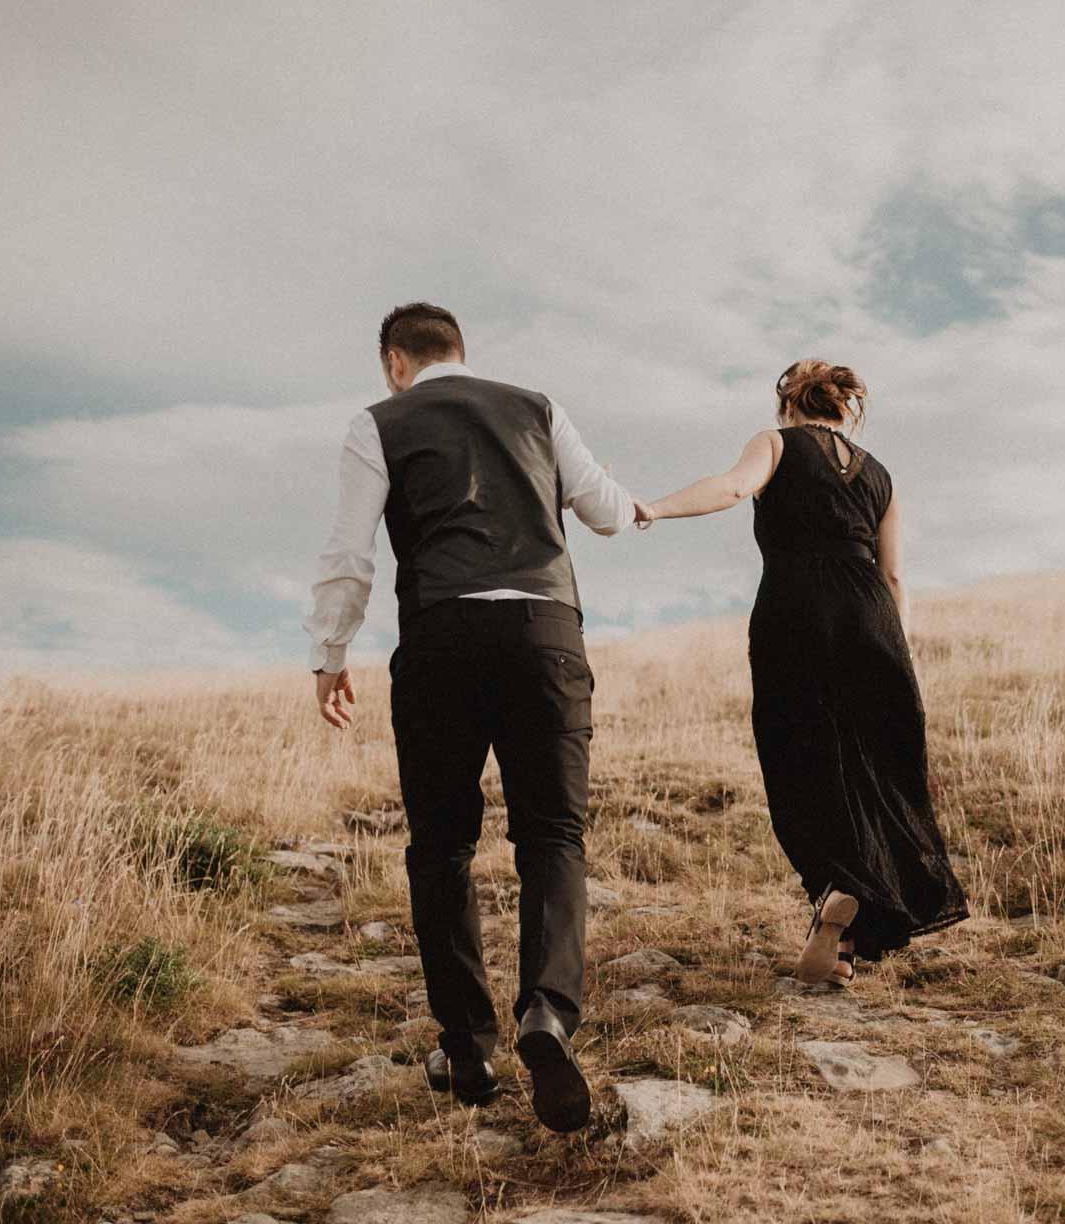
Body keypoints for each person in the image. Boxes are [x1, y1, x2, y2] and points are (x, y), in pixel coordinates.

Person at [303, 302, 637, 1130]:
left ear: (394, 360)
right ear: (461, 350)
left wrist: (331, 654)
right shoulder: (538, 407)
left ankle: (468, 1048)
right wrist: (642, 508)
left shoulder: (377, 421)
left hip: (444, 636)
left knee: (442, 846)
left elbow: (351, 553)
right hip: (544, 633)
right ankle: (549, 1014)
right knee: (553, 835)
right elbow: (602, 509)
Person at [634, 359, 968, 987]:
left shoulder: (775, 443)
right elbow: (895, 575)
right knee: (871, 763)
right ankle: (842, 941)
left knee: (800, 753)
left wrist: (655, 507)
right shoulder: (882, 476)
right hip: (872, 619)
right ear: (844, 409)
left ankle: (839, 884)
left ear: (789, 405)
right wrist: (899, 652)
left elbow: (734, 488)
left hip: (797, 610)